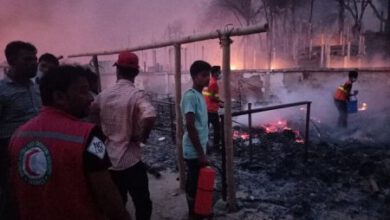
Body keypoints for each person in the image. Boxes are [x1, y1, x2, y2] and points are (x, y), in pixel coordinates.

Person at [8, 65, 131, 220]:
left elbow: (15, 191)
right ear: (59, 97)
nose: (90, 98)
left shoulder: (18, 135)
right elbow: (107, 195)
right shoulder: (91, 136)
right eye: (83, 91)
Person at [90, 51, 156, 220]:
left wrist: (100, 130)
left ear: (117, 71)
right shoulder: (136, 95)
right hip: (131, 160)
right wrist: (142, 137)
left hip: (109, 160)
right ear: (136, 73)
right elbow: (149, 115)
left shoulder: (103, 95)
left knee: (117, 203)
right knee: (142, 203)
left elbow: (91, 111)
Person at [0, 41, 41, 218]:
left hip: (38, 153)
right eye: (27, 59)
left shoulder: (36, 87)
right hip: (11, 156)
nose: (34, 63)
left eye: (35, 59)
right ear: (11, 61)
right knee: (14, 202)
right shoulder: (2, 91)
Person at [181, 60, 211, 219]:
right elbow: (191, 126)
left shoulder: (200, 95)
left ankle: (199, 210)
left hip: (199, 147)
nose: (207, 79)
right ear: (194, 76)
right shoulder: (190, 96)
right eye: (203, 75)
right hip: (193, 150)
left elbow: (200, 125)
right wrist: (201, 153)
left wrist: (206, 144)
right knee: (193, 183)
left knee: (199, 180)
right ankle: (193, 214)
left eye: (209, 75)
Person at [202, 65, 224, 152]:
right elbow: (212, 97)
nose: (220, 74)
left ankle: (205, 147)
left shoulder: (209, 81)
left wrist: (219, 100)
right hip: (211, 110)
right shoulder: (214, 83)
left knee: (205, 129)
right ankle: (216, 147)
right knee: (217, 130)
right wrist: (219, 103)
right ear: (215, 73)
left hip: (206, 108)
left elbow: (209, 95)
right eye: (219, 72)